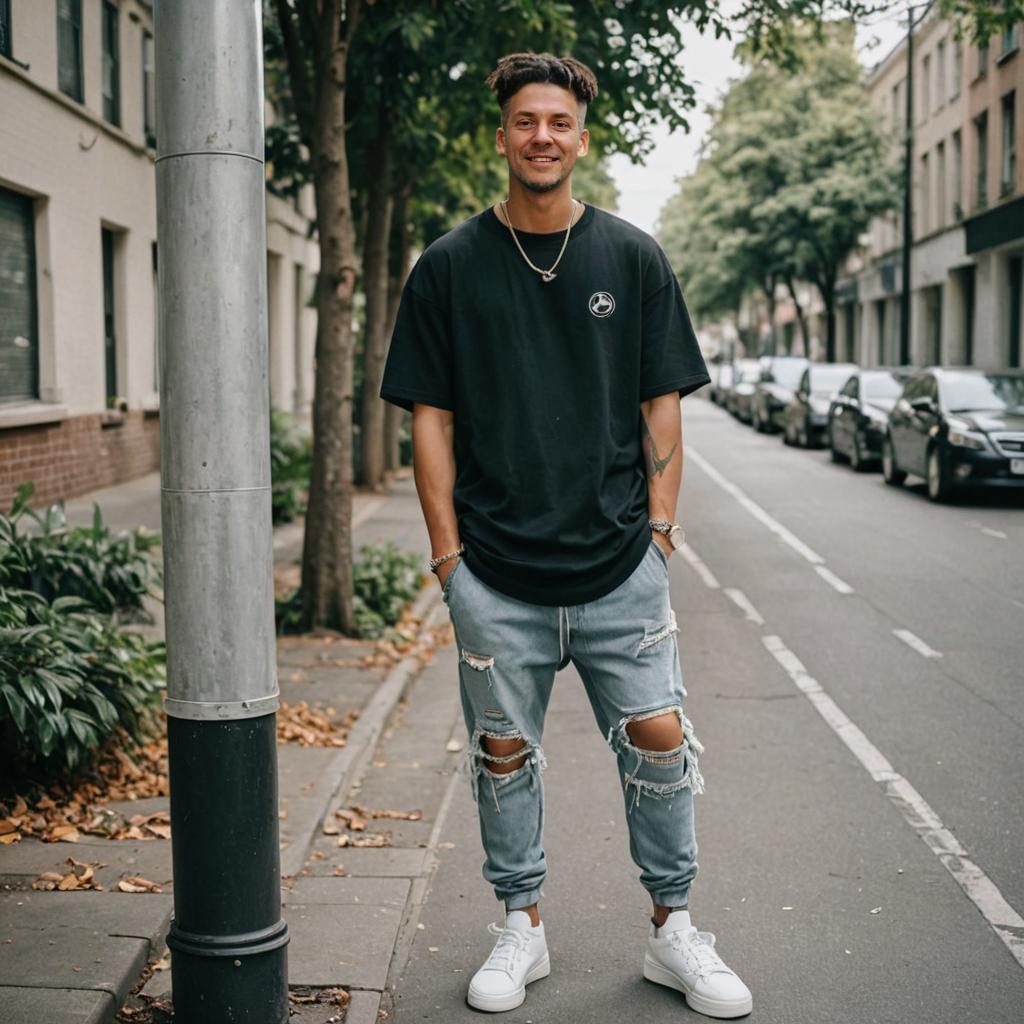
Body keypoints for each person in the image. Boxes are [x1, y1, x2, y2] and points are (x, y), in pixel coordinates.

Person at [380, 52, 752, 1020]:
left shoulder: (629, 256)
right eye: (523, 121)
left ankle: (674, 928)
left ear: (581, 138)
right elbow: (428, 416)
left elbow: (659, 401)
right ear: (500, 136)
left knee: (658, 739)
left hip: (618, 565)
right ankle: (521, 923)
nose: (541, 135)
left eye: (557, 121)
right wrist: (447, 558)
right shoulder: (450, 267)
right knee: (502, 750)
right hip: (494, 575)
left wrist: (660, 533)